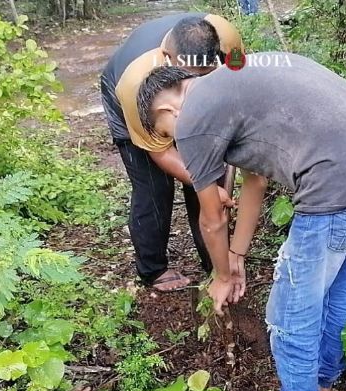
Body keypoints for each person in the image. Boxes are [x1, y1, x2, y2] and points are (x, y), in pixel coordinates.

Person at [136, 52, 346, 391]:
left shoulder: (195, 116)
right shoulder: (235, 82)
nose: (175, 141)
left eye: (166, 131)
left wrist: (220, 276)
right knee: (337, 296)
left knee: (290, 309)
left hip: (337, 186)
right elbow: (256, 181)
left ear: (167, 107)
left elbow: (211, 218)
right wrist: (236, 257)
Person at [100, 14, 243, 292]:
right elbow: (161, 152)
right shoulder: (133, 83)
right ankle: (153, 268)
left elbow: (239, 78)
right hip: (129, 104)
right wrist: (207, 186)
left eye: (203, 79)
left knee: (210, 180)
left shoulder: (225, 35)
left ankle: (213, 262)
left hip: (171, 99)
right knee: (154, 188)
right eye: (188, 80)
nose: (195, 90)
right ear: (169, 59)